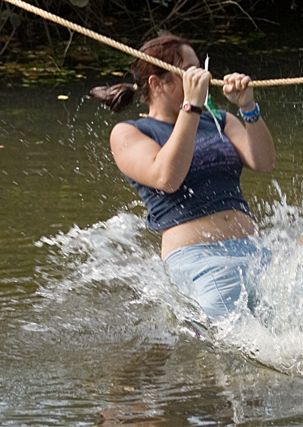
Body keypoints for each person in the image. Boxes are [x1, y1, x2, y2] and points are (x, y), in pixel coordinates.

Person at [90, 33, 275, 320]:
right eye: (189, 71)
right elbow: (167, 177)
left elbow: (263, 162)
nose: (201, 75)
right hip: (199, 261)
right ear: (157, 83)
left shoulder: (220, 120)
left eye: (200, 67)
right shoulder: (129, 132)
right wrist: (191, 106)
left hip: (255, 253)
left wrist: (247, 107)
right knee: (239, 345)